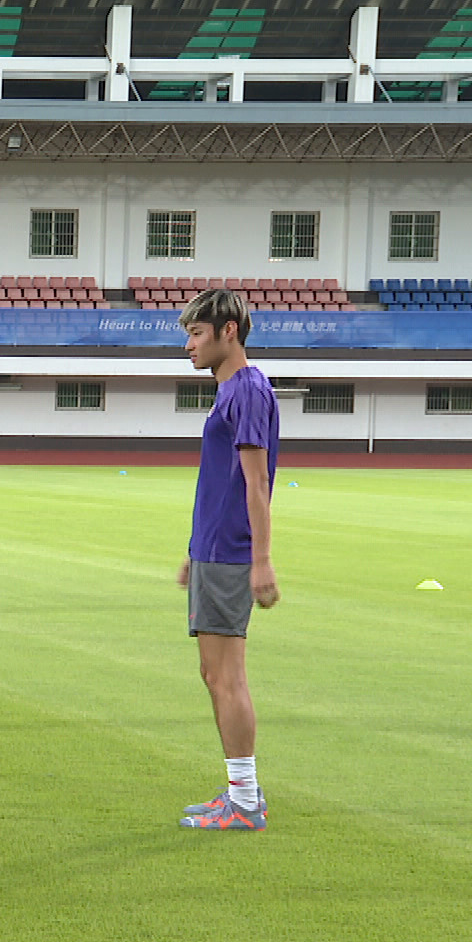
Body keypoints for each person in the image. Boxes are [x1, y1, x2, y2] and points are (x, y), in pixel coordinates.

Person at [175, 289, 280, 832]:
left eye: (197, 334)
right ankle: (242, 793)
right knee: (214, 673)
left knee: (227, 676)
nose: (189, 345)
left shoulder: (248, 391)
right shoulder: (230, 392)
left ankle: (243, 802)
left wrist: (261, 560)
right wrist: (194, 552)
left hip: (233, 555)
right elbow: (219, 483)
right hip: (213, 552)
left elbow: (256, 482)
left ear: (228, 332)